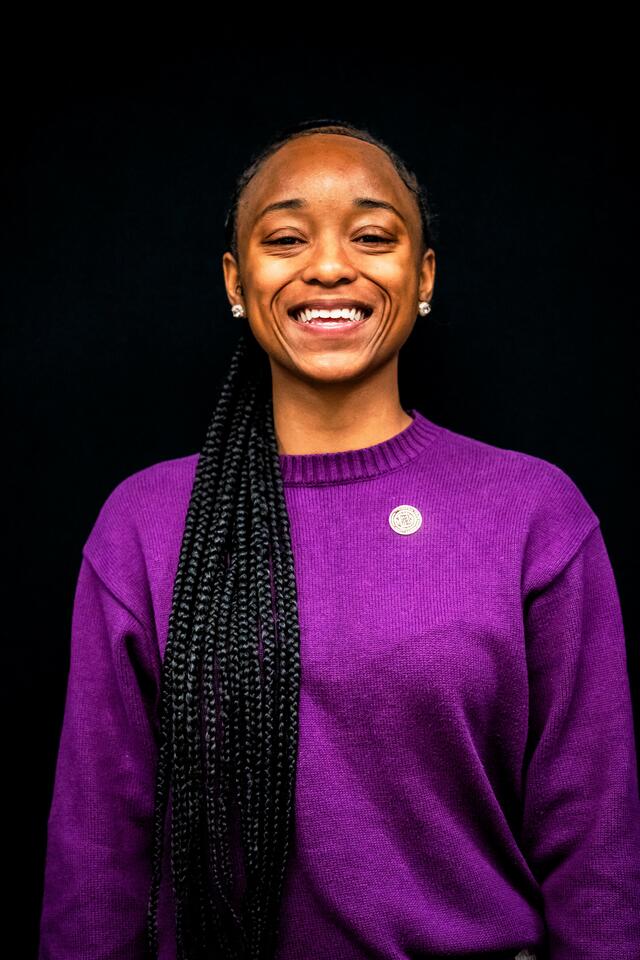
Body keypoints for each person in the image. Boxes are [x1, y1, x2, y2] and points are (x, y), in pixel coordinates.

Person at [38, 118, 640, 960]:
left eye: (371, 236)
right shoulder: (145, 524)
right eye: (286, 237)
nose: (328, 265)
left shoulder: (532, 512)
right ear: (236, 280)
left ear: (422, 274)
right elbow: (96, 853)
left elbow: (595, 844)